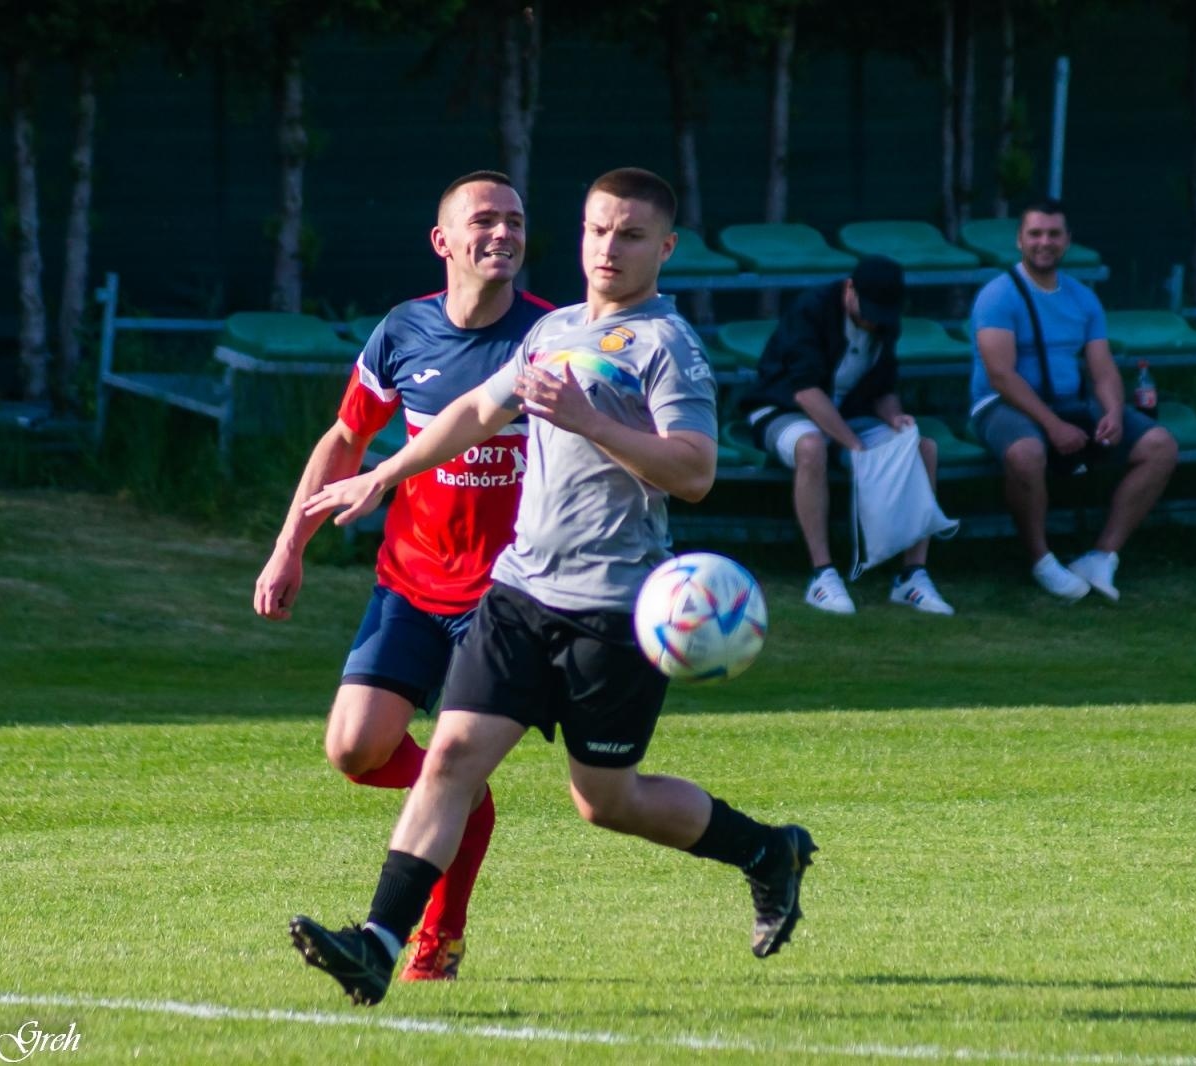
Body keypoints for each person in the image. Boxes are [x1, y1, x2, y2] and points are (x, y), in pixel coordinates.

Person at [286, 167, 817, 1007]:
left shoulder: (666, 345)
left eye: (632, 234)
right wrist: (381, 474)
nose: (610, 247)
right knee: (452, 756)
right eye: (598, 229)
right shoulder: (556, 330)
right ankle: (379, 943)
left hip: (612, 611)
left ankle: (766, 852)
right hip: (519, 595)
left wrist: (590, 421)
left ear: (665, 249)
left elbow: (697, 471)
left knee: (605, 800)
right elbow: (470, 414)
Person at [253, 170, 551, 982]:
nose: (503, 234)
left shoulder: (552, 338)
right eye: (484, 221)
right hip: (410, 587)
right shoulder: (403, 331)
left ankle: (437, 940)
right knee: (354, 749)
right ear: (442, 241)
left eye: (516, 222)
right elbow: (346, 438)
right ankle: (463, 801)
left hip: (505, 601)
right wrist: (291, 545)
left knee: (452, 761)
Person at [968, 198, 1178, 602]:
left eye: (1053, 234)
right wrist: (1053, 426)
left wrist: (1114, 413)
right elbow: (1001, 376)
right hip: (1002, 405)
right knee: (1027, 452)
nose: (1044, 242)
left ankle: (1101, 556)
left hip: (1069, 402)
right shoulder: (998, 295)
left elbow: (1101, 368)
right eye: (1035, 233)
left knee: (1160, 445)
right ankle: (1041, 560)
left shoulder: (1083, 297)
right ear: (1019, 240)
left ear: (1067, 241)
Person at [738, 255, 954, 616]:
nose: (873, 321)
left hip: (851, 413)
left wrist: (895, 417)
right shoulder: (810, 309)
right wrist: (853, 445)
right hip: (782, 408)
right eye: (868, 309)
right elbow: (805, 390)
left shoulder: (885, 320)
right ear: (850, 289)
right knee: (810, 447)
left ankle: (912, 575)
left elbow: (883, 387)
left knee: (921, 447)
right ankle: (822, 575)